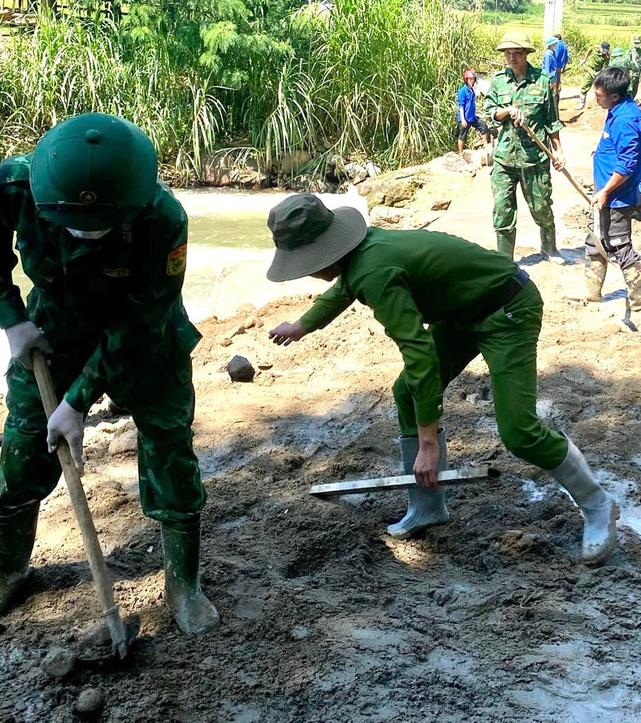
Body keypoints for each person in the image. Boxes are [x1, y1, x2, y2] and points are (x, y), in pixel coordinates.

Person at [0, 113, 218, 636]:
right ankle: (5, 574)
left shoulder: (162, 216)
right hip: (52, 330)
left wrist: (77, 401)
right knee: (25, 443)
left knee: (169, 445)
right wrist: (12, 319)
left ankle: (183, 585)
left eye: (102, 223)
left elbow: (142, 321)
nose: (86, 231)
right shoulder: (15, 184)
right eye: (73, 219)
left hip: (146, 337)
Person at [264, 195, 620, 564]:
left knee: (520, 432)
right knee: (407, 392)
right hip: (463, 310)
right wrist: (302, 325)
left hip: (508, 308)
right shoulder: (361, 254)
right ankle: (427, 506)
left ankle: (597, 504)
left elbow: (420, 357)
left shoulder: (375, 270)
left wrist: (428, 444)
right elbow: (345, 287)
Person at [484, 31, 565, 264]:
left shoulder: (543, 82)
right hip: (505, 158)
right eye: (507, 53)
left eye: (517, 53)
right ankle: (504, 260)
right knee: (502, 210)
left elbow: (552, 121)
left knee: (541, 207)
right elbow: (489, 112)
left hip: (534, 159)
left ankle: (549, 248)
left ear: (527, 54)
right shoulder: (498, 81)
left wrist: (558, 151)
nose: (512, 58)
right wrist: (507, 111)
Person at [576, 66, 641, 321]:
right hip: (605, 192)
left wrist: (606, 190)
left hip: (616, 196)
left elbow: (627, 165)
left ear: (614, 96)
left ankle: (639, 304)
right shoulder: (616, 111)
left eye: (598, 95)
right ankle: (591, 294)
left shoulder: (627, 120)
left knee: (620, 245)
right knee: (595, 241)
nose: (595, 99)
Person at [454, 68, 490, 155]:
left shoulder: (471, 90)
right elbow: (461, 106)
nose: (472, 81)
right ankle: (460, 154)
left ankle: (486, 147)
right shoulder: (463, 91)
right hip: (465, 118)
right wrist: (463, 119)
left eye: (473, 79)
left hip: (472, 117)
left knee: (483, 126)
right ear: (466, 80)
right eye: (470, 79)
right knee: (462, 136)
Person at [578, 41, 610, 111]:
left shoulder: (607, 56)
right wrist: (584, 59)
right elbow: (588, 51)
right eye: (604, 50)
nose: (604, 51)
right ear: (601, 47)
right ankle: (582, 103)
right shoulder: (595, 48)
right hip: (590, 70)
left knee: (599, 89)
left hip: (598, 72)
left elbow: (605, 67)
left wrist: (599, 73)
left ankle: (601, 103)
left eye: (606, 50)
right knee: (585, 86)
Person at [542, 33, 569, 107]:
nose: (556, 45)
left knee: (554, 92)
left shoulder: (552, 53)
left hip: (554, 75)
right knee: (553, 92)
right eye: (555, 44)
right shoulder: (548, 54)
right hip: (552, 75)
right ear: (551, 45)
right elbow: (547, 69)